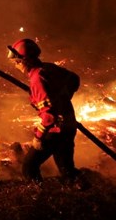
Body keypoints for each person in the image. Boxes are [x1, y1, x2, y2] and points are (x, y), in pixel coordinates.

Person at [7, 38, 81, 185]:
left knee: (29, 166)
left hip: (55, 130)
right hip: (69, 125)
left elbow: (48, 117)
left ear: (25, 61)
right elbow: (74, 79)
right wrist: (64, 98)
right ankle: (83, 192)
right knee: (66, 168)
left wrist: (38, 137)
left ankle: (40, 197)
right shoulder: (48, 68)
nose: (16, 65)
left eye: (17, 61)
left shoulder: (37, 78)